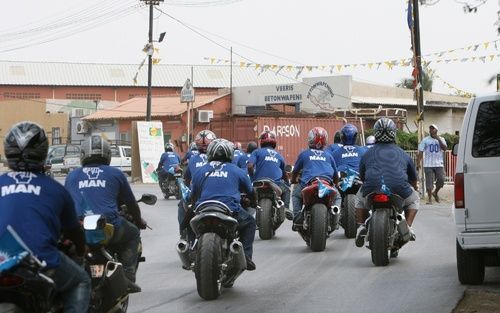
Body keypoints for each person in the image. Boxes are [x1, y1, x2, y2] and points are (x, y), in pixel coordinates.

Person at [0, 121, 90, 313]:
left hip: (2, 263)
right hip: (39, 261)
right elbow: (74, 231)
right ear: (43, 151)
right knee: (81, 280)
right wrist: (81, 249)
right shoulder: (55, 189)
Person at [65, 135, 147, 292]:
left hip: (79, 227)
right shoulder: (116, 173)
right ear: (108, 155)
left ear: (83, 154)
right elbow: (130, 203)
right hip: (108, 225)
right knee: (133, 234)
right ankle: (128, 277)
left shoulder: (72, 176)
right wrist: (139, 221)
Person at [190, 138, 257, 271]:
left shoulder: (200, 171)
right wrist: (253, 203)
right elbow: (250, 192)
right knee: (250, 222)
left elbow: (194, 195)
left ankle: (191, 248)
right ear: (229, 154)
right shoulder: (237, 171)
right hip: (229, 209)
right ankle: (247, 256)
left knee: (188, 222)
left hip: (203, 209)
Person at [354, 118, 419, 250]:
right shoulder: (403, 154)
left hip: (371, 188)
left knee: (359, 200)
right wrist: (413, 187)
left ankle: (361, 226)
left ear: (376, 133)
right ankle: (408, 227)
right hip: (399, 189)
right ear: (393, 133)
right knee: (415, 200)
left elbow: (362, 176)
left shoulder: (367, 153)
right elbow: (413, 179)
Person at [290, 127, 342, 229]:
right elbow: (335, 175)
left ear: (311, 139)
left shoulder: (304, 154)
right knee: (338, 196)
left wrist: (293, 181)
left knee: (296, 195)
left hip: (309, 183)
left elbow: (295, 171)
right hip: (326, 183)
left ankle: (297, 219)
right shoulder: (328, 155)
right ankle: (335, 218)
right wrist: (335, 185)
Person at [178, 130, 216, 241]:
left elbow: (186, 178)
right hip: (219, 198)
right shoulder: (221, 158)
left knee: (182, 207)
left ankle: (184, 235)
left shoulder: (193, 159)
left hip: (197, 199)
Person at [247, 130, 291, 213]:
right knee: (287, 190)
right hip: (276, 184)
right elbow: (284, 174)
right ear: (274, 142)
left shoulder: (256, 152)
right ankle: (286, 209)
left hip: (258, 183)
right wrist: (288, 183)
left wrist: (253, 179)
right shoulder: (279, 156)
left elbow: (249, 166)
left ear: (262, 142)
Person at [417, 124, 447, 204]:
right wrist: (418, 163)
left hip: (439, 164)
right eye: (430, 129)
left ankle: (435, 192)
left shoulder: (442, 139)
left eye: (433, 129)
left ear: (436, 131)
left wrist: (438, 138)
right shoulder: (425, 140)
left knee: (441, 180)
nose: (431, 130)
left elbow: (444, 148)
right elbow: (420, 152)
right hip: (428, 164)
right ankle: (429, 199)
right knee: (429, 182)